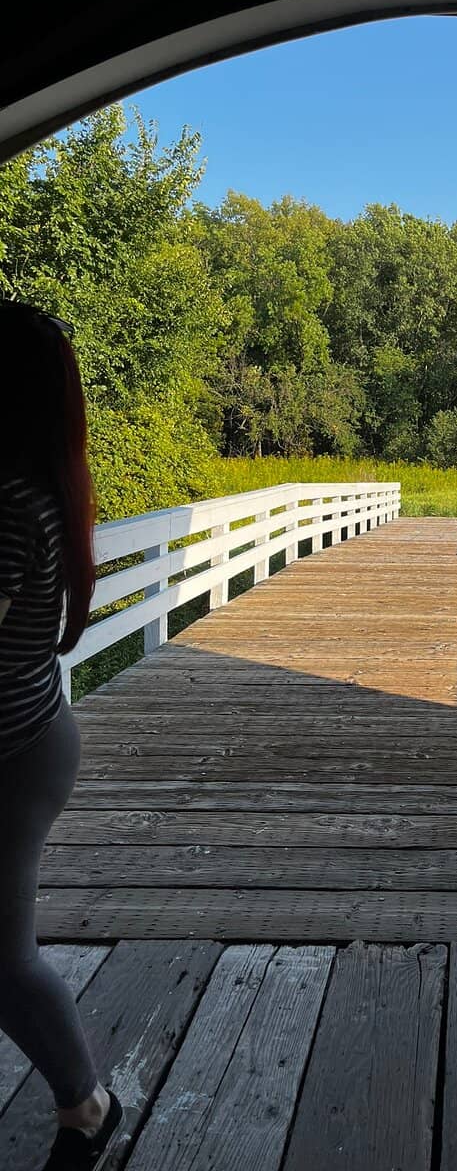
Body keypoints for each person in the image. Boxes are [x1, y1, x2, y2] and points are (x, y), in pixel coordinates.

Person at [0, 300, 123, 1169]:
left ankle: (88, 1105)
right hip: (34, 735)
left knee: (5, 962)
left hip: (13, 758)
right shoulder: (41, 484)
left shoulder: (7, 503)